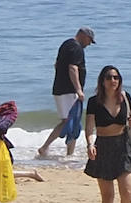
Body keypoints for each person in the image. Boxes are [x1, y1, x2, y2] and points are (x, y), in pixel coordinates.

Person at [83, 65, 131, 203]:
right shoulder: (94, 101)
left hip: (123, 146)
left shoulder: (125, 97)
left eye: (116, 77)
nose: (113, 80)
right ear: (102, 80)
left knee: (127, 192)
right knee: (107, 195)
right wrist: (90, 144)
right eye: (109, 77)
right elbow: (90, 127)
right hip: (103, 147)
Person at [37, 26, 97, 157]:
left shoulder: (66, 44)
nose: (88, 44)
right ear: (84, 35)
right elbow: (73, 68)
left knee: (67, 121)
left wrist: (61, 79)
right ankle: (67, 153)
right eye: (89, 41)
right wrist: (79, 90)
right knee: (72, 121)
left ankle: (48, 148)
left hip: (60, 89)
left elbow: (56, 65)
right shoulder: (77, 48)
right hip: (69, 91)